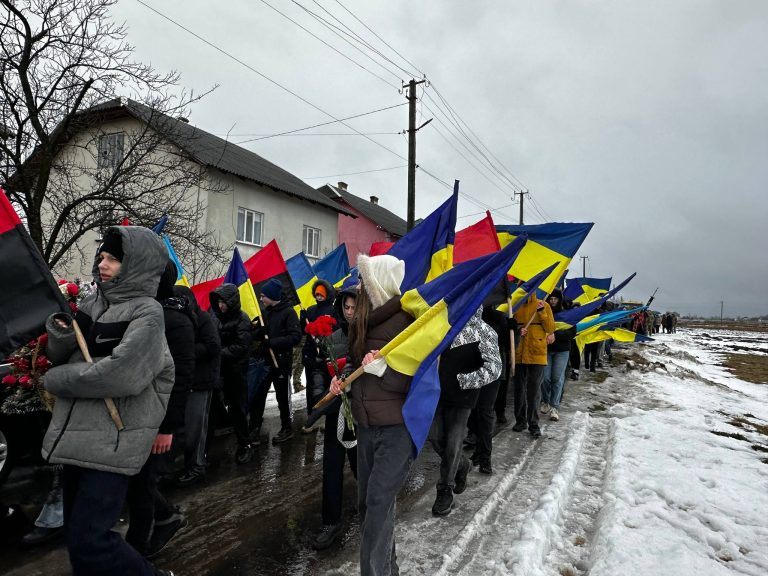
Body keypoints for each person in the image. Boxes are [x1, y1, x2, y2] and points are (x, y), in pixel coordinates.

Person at [41, 225, 175, 576]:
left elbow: (121, 375)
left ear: (137, 265)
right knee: (77, 541)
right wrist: (60, 334)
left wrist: (55, 381)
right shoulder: (92, 303)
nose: (102, 264)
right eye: (102, 256)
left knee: (92, 541)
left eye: (113, 259)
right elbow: (62, 356)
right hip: (76, 437)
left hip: (114, 440)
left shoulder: (147, 313)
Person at [330, 254, 413, 576]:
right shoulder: (363, 321)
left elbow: (421, 379)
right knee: (368, 504)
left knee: (378, 503)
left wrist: (386, 371)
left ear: (379, 282)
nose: (360, 287)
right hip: (366, 427)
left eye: (365, 280)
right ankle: (388, 569)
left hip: (396, 429)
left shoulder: (407, 321)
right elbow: (355, 362)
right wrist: (343, 379)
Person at [126, 261, 195, 558]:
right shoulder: (141, 313)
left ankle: (138, 550)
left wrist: (167, 427)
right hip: (135, 410)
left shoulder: (175, 320)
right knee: (136, 479)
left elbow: (181, 378)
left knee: (140, 482)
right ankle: (164, 516)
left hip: (156, 415)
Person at [429, 307, 502, 516]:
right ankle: (462, 464)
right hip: (436, 394)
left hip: (463, 398)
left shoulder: (484, 330)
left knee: (453, 443)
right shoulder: (442, 323)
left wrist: (464, 380)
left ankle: (445, 490)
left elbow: (494, 368)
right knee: (436, 438)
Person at [312, 286, 359, 550]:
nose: (349, 312)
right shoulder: (332, 337)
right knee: (331, 467)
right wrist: (321, 392)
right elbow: (319, 368)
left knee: (361, 466)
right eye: (346, 307)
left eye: (354, 307)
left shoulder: (368, 335)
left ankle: (371, 512)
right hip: (335, 412)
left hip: (360, 414)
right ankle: (330, 521)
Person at [173, 285, 221, 487]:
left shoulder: (203, 318)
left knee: (196, 428)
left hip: (201, 381)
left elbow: (213, 346)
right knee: (181, 427)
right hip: (183, 381)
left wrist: (185, 351)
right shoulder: (179, 320)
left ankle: (196, 466)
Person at [250, 278, 302, 445]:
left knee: (282, 398)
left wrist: (272, 342)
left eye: (263, 296)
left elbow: (295, 337)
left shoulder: (288, 313)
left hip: (281, 363)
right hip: (265, 363)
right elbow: (258, 333)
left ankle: (287, 427)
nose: (261, 299)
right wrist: (257, 332)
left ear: (272, 296)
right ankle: (255, 428)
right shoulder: (265, 313)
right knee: (259, 396)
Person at [209, 283, 254, 464]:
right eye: (218, 302)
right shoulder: (217, 319)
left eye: (224, 302)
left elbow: (241, 346)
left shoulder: (242, 319)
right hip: (220, 371)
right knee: (215, 408)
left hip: (236, 372)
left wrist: (217, 353)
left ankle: (245, 444)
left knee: (237, 409)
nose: (221, 305)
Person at [511, 292, 555, 438]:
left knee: (534, 390)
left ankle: (533, 424)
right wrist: (518, 331)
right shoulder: (514, 306)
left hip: (537, 353)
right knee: (519, 389)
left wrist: (542, 312)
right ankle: (520, 420)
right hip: (519, 353)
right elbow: (509, 328)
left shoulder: (543, 305)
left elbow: (550, 328)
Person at [300, 279, 338, 433]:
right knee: (312, 389)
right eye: (316, 294)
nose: (319, 296)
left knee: (328, 389)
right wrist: (302, 320)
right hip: (311, 357)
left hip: (327, 356)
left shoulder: (334, 310)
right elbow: (303, 331)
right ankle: (312, 418)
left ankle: (327, 418)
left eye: (322, 294)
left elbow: (338, 330)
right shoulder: (311, 310)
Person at [540, 290, 575, 422]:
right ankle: (545, 401)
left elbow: (572, 332)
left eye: (555, 299)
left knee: (557, 378)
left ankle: (555, 407)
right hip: (546, 350)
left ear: (560, 300)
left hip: (562, 351)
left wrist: (555, 334)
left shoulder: (567, 314)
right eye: (551, 299)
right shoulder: (544, 313)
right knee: (545, 378)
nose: (553, 301)